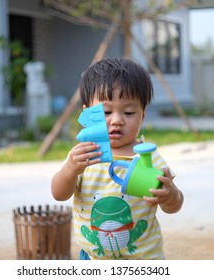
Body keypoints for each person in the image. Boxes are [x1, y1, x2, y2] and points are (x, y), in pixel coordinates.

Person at [51, 57, 184, 260]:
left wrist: (170, 195)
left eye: (129, 112)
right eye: (106, 111)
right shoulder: (83, 156)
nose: (117, 120)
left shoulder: (148, 158)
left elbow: (174, 206)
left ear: (143, 115)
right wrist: (70, 170)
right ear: (88, 114)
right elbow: (59, 194)